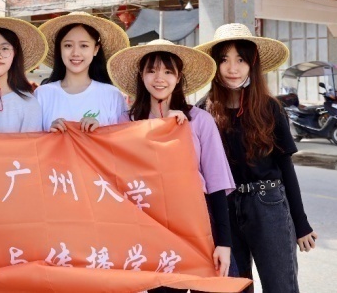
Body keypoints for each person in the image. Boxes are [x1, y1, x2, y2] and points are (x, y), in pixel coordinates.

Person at [196, 23, 318, 292]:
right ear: (215, 65)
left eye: (241, 59)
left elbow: (286, 167)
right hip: (224, 210)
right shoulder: (203, 111)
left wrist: (301, 223)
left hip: (268, 204)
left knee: (280, 286)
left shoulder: (270, 108)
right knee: (235, 287)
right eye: (224, 60)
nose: (232, 68)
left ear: (252, 64)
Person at [107, 39, 234, 283]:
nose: (159, 79)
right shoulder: (125, 123)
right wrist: (84, 131)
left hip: (197, 221)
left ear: (178, 77)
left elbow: (216, 184)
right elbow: (111, 174)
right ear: (141, 75)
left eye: (168, 71)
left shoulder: (199, 120)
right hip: (149, 225)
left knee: (208, 285)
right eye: (151, 71)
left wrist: (224, 242)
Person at [35, 12, 130, 133]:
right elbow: (32, 142)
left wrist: (101, 132)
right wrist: (48, 133)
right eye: (68, 45)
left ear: (95, 49)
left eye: (84, 46)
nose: (75, 53)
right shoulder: (42, 95)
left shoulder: (112, 95)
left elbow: (122, 139)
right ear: (60, 49)